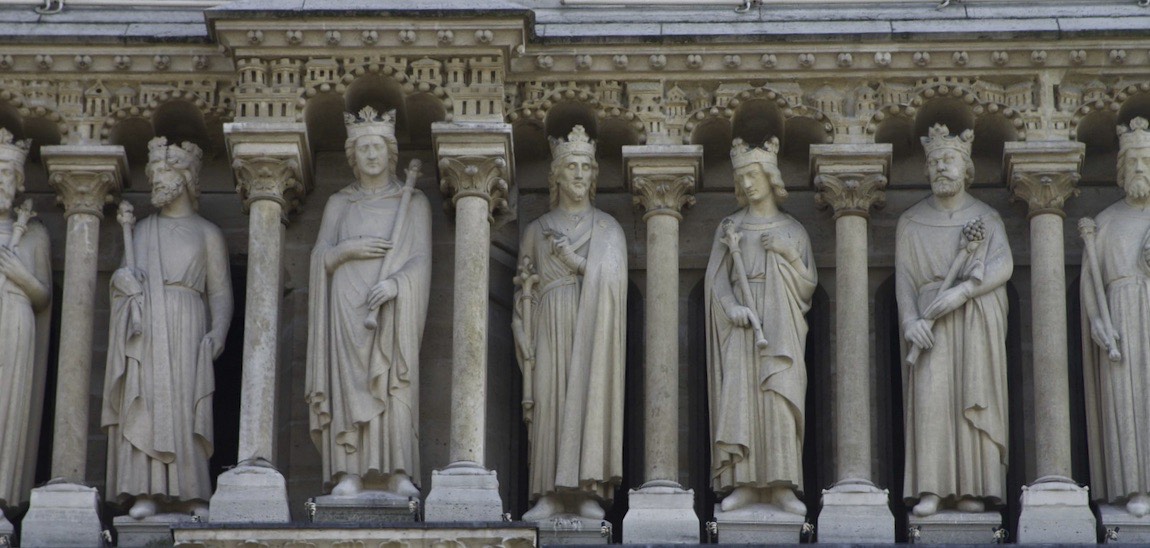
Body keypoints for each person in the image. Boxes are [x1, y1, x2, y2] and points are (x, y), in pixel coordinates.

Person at [102, 137, 233, 519]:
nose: (156, 180)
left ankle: (191, 494)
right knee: (147, 397)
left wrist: (220, 332)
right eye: (153, 173)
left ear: (186, 176)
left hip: (189, 323)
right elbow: (125, 285)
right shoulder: (141, 231)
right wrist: (122, 285)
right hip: (149, 330)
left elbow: (221, 292)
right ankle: (146, 490)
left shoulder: (207, 232)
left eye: (164, 172)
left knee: (183, 405)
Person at [307, 107, 431, 498]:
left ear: (390, 152)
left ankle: (397, 471)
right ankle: (349, 472)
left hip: (391, 305)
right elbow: (319, 258)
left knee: (392, 381)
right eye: (363, 149)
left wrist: (397, 285)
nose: (372, 155)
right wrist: (346, 250)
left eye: (377, 147)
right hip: (346, 305)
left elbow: (421, 259)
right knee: (350, 384)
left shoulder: (413, 203)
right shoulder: (339, 204)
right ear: (352, 155)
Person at [896, 124, 1012, 517]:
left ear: (966, 168)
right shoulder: (910, 222)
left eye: (949, 160)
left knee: (971, 393)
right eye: (935, 162)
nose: (941, 168)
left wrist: (963, 292)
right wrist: (911, 320)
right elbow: (904, 280)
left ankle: (972, 488)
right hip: (930, 324)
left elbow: (1004, 265)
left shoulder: (987, 218)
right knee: (931, 398)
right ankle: (933, 487)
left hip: (973, 319)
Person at [512, 125, 627, 521]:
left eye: (586, 167)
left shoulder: (607, 228)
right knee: (550, 404)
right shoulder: (535, 230)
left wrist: (578, 263)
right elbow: (522, 291)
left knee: (588, 400)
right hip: (549, 323)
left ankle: (584, 492)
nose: (579, 174)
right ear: (556, 175)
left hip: (592, 325)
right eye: (571, 167)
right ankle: (547, 491)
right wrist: (521, 332)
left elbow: (615, 283)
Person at [704, 137, 816, 516]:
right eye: (741, 177)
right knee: (740, 401)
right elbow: (716, 280)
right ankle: (746, 484)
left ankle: (782, 484)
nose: (748, 183)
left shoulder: (793, 230)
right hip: (742, 328)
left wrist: (787, 254)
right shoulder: (729, 227)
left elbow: (807, 286)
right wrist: (732, 306)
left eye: (753, 174)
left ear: (770, 177)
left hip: (781, 324)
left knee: (778, 399)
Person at [1082, 116, 1150, 517]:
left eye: (1146, 160)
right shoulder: (1104, 222)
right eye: (1133, 162)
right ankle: (1135, 487)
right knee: (1126, 400)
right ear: (1121, 171)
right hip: (1121, 318)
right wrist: (1098, 322)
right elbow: (1091, 286)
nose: (1140, 169)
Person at [0, 128, 51, 523]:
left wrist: (20, 275)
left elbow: (44, 296)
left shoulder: (34, 234)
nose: (1, 181)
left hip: (14, 322)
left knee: (7, 408)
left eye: (7, 174)